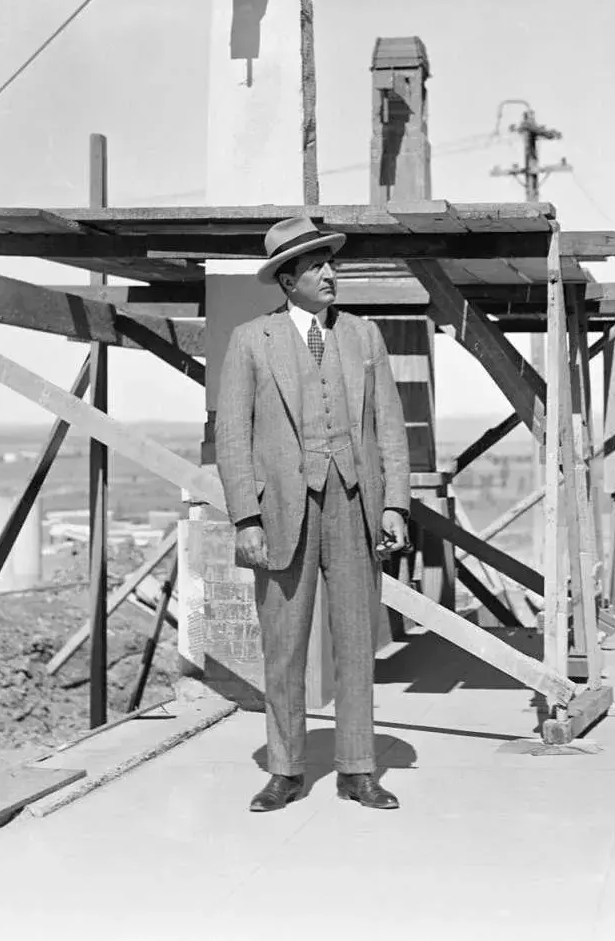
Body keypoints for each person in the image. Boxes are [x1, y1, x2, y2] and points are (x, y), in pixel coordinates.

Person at [214, 215, 412, 813]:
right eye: (317, 266)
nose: (330, 273)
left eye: (331, 263)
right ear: (287, 279)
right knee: (284, 648)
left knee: (356, 644)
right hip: (281, 515)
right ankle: (286, 769)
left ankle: (358, 769)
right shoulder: (252, 340)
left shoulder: (363, 336)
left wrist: (396, 504)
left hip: (355, 507)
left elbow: (390, 430)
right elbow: (232, 436)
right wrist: (245, 518)